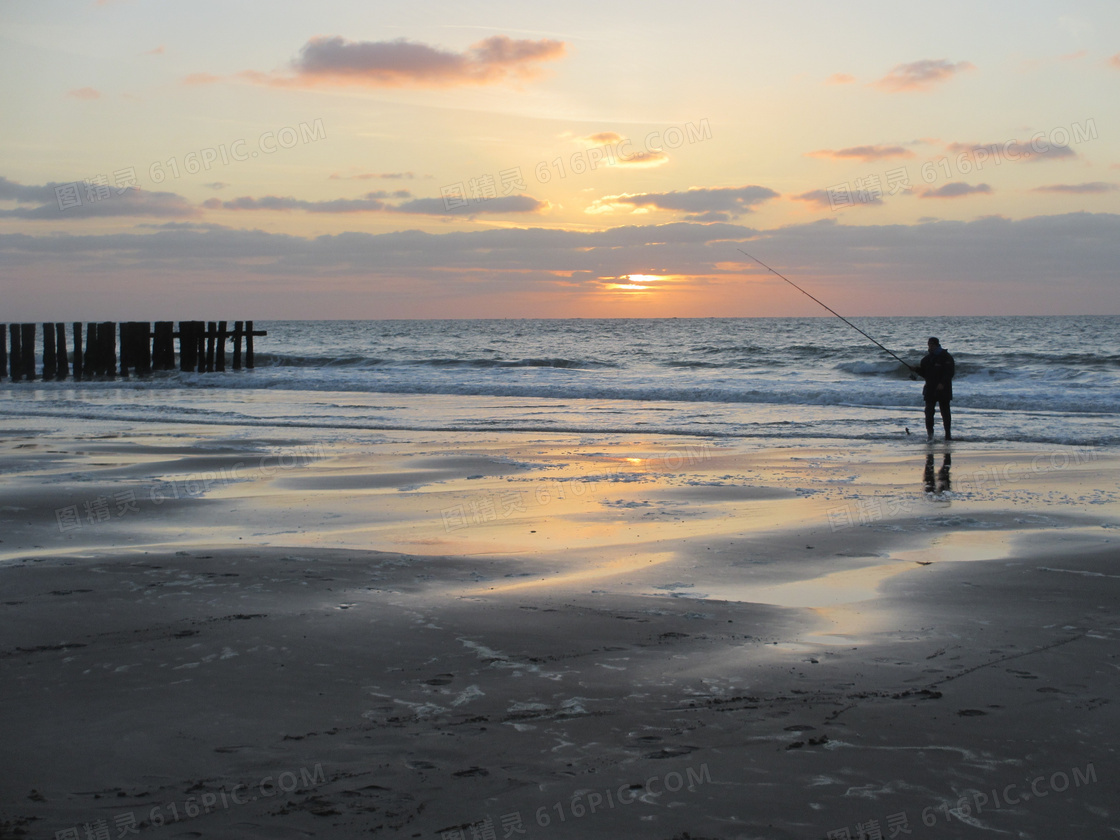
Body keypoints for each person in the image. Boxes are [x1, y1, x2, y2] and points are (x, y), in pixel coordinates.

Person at [916, 336, 954, 442]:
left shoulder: (946, 357)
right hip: (930, 389)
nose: (931, 347)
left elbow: (950, 373)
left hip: (944, 390)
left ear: (937, 345)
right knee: (928, 413)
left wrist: (942, 383)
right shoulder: (926, 360)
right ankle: (930, 436)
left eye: (933, 345)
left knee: (945, 413)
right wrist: (916, 370)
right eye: (929, 345)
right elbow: (925, 374)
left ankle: (948, 435)